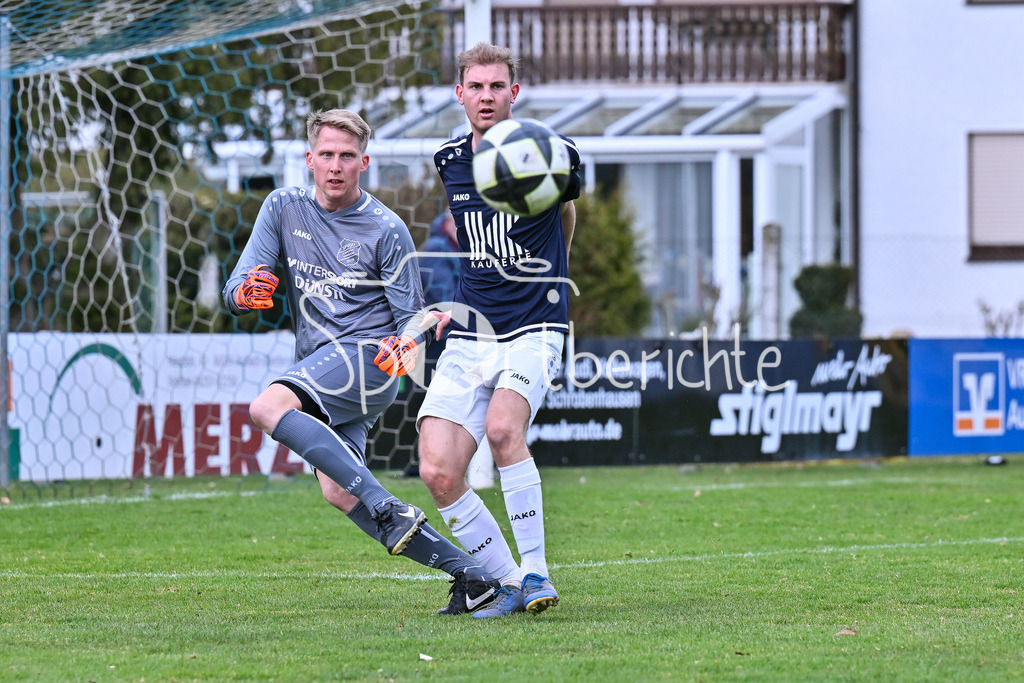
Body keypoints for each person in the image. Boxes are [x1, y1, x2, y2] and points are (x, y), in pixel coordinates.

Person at [222, 108, 501, 616]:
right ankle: (473, 576)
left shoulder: (385, 228)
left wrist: (412, 338)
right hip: (319, 364)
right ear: (309, 159)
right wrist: (244, 293)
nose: (335, 166)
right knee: (336, 488)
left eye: (346, 156)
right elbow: (236, 287)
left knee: (266, 408)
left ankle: (388, 506)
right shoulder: (282, 207)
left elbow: (413, 317)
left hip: (369, 363)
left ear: (363, 163)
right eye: (326, 155)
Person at [416, 44, 582, 618]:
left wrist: (556, 272)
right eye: (476, 86)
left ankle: (537, 574)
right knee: (437, 468)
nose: (486, 96)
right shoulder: (448, 158)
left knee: (503, 428)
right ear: (459, 94)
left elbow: (565, 212)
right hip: (471, 328)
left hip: (534, 322)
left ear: (515, 93)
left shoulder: (551, 153)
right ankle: (509, 582)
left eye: (497, 86)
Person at [419, 210, 461, 306]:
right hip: (440, 317)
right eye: (456, 222)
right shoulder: (436, 247)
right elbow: (445, 296)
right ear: (446, 223)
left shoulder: (456, 247)